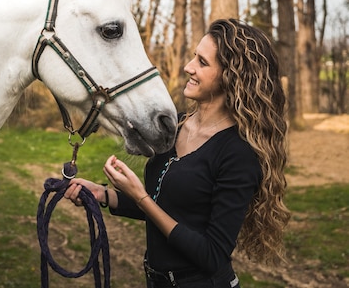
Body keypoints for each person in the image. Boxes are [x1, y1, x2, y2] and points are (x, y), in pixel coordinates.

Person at [64, 18, 291, 288]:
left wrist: (141, 196)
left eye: (202, 63)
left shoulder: (238, 153)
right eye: (194, 57)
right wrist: (103, 194)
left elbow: (212, 255)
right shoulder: (177, 125)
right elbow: (169, 208)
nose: (188, 67)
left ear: (231, 76)